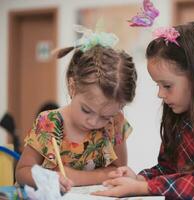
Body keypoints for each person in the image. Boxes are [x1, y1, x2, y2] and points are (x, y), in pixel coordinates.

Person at [93, 22, 194, 199]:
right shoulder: (177, 114)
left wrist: (143, 187)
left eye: (167, 85)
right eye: (158, 85)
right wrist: (139, 178)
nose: (160, 94)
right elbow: (167, 168)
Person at [15, 30, 137, 193]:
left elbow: (119, 171)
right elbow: (22, 171)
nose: (94, 122)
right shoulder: (48, 123)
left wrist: (75, 176)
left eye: (106, 116)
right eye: (86, 110)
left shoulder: (115, 122)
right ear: (72, 87)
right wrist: (47, 179)